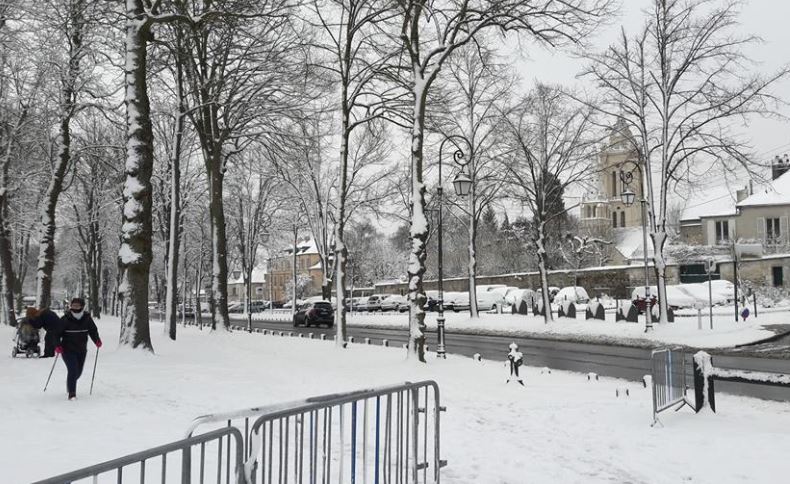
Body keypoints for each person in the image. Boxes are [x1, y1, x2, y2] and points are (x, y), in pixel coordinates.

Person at [54, 298, 102, 400]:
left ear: (82, 306)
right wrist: (57, 345)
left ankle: (70, 383)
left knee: (78, 372)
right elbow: (56, 333)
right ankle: (72, 393)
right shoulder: (65, 319)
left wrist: (97, 340)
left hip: (81, 349)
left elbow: (93, 331)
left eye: (77, 305)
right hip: (67, 349)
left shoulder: (87, 318)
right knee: (73, 370)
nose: (75, 307)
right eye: (73, 305)